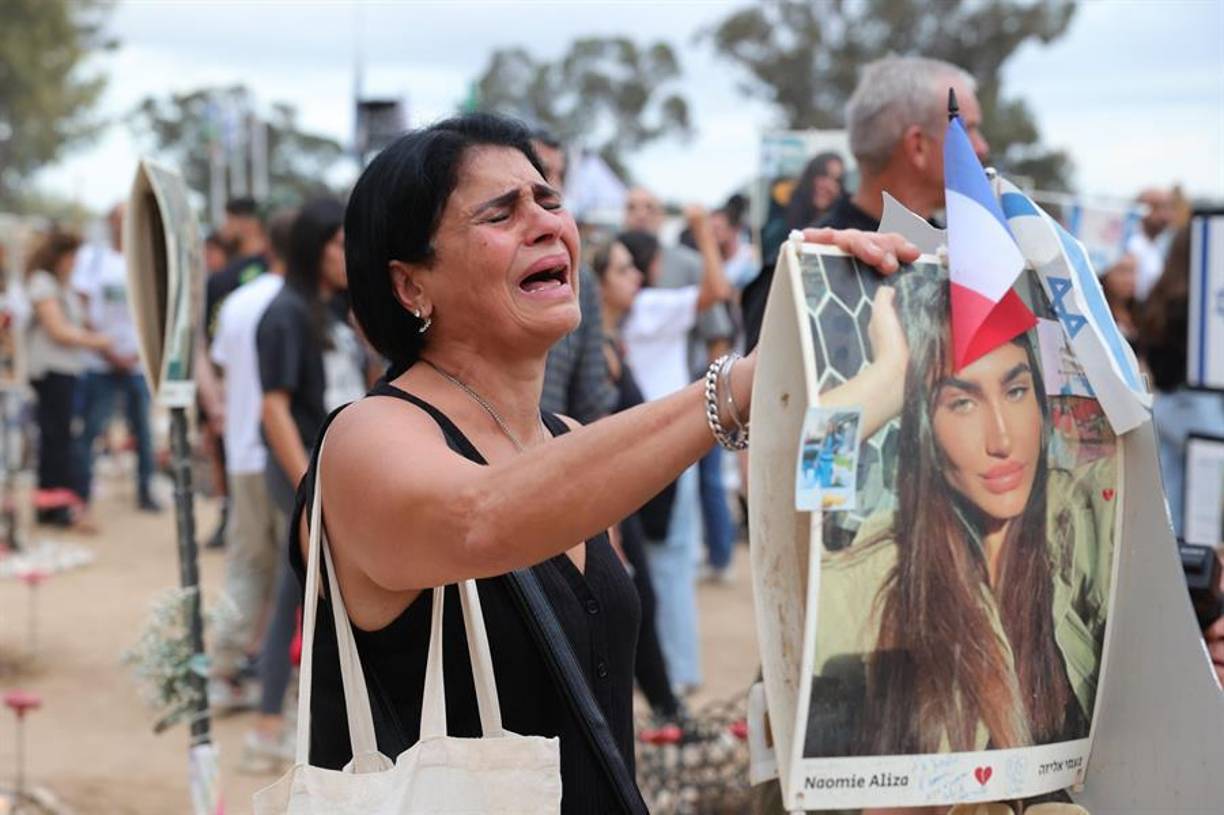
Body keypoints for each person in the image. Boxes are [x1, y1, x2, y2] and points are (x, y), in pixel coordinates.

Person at [288, 113, 915, 811]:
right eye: (500, 213)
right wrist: (738, 386)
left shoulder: (568, 437)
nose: (545, 223)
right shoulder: (365, 438)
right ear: (410, 286)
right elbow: (479, 518)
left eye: (550, 200)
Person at [807, 272, 1114, 760]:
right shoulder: (875, 572)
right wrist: (889, 380)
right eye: (962, 402)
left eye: (1016, 391)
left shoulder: (1079, 525)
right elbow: (783, 490)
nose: (1002, 440)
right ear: (923, 427)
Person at [743, 55, 986, 354]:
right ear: (918, 146)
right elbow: (763, 391)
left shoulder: (968, 257)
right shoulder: (807, 268)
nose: (982, 147)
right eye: (968, 130)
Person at [247, 197, 364, 772]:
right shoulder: (285, 313)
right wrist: (308, 489)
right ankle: (268, 722)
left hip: (337, 474)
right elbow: (274, 409)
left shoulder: (330, 311)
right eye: (339, 244)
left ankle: (288, 714)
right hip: (304, 474)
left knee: (315, 595)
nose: (348, 255)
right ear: (312, 248)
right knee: (297, 592)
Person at [591, 237, 684, 726]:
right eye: (624, 270)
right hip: (604, 499)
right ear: (601, 282)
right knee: (633, 600)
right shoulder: (593, 350)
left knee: (640, 599)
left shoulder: (611, 342)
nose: (637, 278)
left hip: (619, 495)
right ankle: (661, 708)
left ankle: (665, 706)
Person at [206, 209, 295, 719]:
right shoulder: (295, 305)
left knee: (247, 563)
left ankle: (224, 668)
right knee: (292, 572)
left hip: (243, 449)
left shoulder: (238, 302)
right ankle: (283, 679)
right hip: (284, 454)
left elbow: (219, 365)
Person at [72, 203, 161, 514]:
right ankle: (80, 494)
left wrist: (139, 352)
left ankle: (146, 490)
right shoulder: (93, 260)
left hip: (136, 363)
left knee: (144, 433)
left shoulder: (145, 260)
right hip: (100, 362)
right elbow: (81, 309)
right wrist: (106, 350)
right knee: (92, 428)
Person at [1139, 227, 1224, 538]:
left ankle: (1177, 571)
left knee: (1174, 499)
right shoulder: (1201, 303)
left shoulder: (1160, 295)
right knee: (1203, 509)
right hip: (1197, 406)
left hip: (1168, 405)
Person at [24, 230, 111, 530]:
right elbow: (58, 330)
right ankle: (57, 507)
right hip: (52, 373)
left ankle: (53, 504)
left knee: (58, 439)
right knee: (57, 442)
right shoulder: (43, 284)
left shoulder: (62, 286)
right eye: (72, 257)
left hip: (66, 372)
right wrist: (97, 341)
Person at [198, 197, 271, 549]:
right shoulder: (220, 279)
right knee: (223, 448)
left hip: (263, 385)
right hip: (233, 384)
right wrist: (214, 396)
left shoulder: (269, 269)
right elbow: (212, 343)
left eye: (228, 221)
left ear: (245, 223)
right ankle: (229, 513)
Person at [533, 128, 616, 424]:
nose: (552, 186)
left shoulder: (583, 280)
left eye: (560, 175)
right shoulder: (475, 270)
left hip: (557, 456)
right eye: (541, 171)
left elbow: (592, 400)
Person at [1125, 187, 1174, 303]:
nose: (1165, 215)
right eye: (1157, 207)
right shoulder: (1131, 245)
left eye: (1168, 208)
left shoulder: (1159, 244)